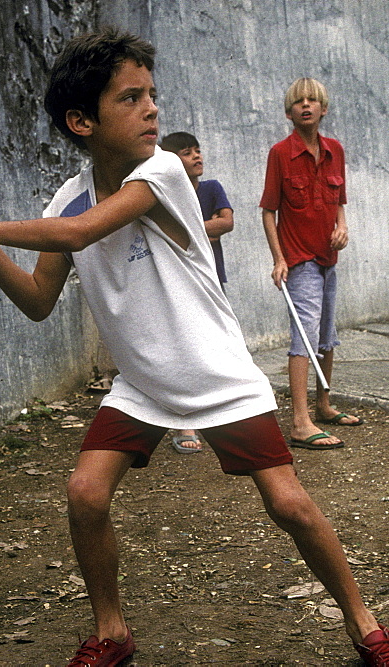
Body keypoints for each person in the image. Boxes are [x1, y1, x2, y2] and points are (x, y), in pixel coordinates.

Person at [0, 28, 389, 667]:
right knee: (85, 494)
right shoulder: (66, 196)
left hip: (217, 375)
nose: (153, 109)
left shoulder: (161, 171)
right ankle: (112, 633)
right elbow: (37, 300)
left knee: (291, 505)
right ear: (82, 121)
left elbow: (77, 235)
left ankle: (368, 629)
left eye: (151, 95)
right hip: (143, 384)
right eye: (131, 99)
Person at [259, 77, 364, 453]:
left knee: (326, 334)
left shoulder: (335, 150)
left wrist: (343, 227)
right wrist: (278, 259)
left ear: (323, 108)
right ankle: (300, 423)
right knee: (303, 336)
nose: (306, 105)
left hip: (327, 258)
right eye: (298, 101)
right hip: (299, 260)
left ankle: (323, 406)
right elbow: (268, 211)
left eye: (313, 100)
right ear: (289, 112)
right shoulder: (280, 153)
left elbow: (339, 202)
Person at [159, 131, 235, 454]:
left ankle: (220, 415)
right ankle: (185, 420)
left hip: (213, 280)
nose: (196, 156)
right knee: (184, 348)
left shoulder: (212, 188)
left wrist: (190, 231)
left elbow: (227, 223)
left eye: (198, 151)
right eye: (187, 153)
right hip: (180, 284)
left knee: (219, 345)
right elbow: (167, 233)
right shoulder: (166, 194)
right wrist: (207, 228)